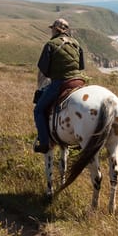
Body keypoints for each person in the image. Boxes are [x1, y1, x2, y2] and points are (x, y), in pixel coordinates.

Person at [32, 18, 85, 153]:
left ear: (55, 29)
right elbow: (81, 66)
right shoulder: (76, 43)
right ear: (66, 30)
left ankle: (44, 143)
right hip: (79, 81)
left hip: (61, 83)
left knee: (38, 110)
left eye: (52, 29)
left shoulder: (50, 44)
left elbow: (44, 69)